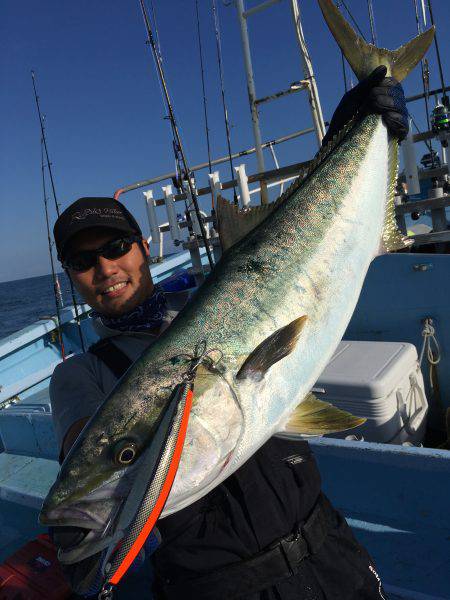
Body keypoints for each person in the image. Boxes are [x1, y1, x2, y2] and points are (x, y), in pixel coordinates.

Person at [50, 69, 408, 600]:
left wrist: (359, 129)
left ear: (144, 248)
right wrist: (101, 523)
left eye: (116, 246)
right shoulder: (80, 374)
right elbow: (99, 451)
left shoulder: (218, 299)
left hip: (329, 549)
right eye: (82, 261)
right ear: (70, 276)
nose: (105, 268)